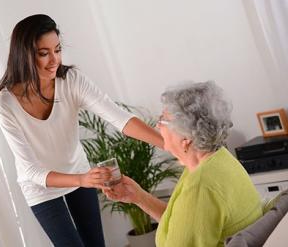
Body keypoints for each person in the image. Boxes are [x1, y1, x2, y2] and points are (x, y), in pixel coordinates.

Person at [0, 14, 163, 246]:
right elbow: (32, 170)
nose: (54, 60)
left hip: (78, 171)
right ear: (24, 56)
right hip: (41, 187)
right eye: (44, 53)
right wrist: (81, 179)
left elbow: (120, 118)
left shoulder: (71, 80)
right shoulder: (6, 103)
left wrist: (170, 144)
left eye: (58, 49)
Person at [104, 81, 263, 247]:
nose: (157, 126)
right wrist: (138, 197)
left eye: (163, 120)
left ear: (186, 138)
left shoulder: (201, 185)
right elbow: (184, 224)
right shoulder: (218, 159)